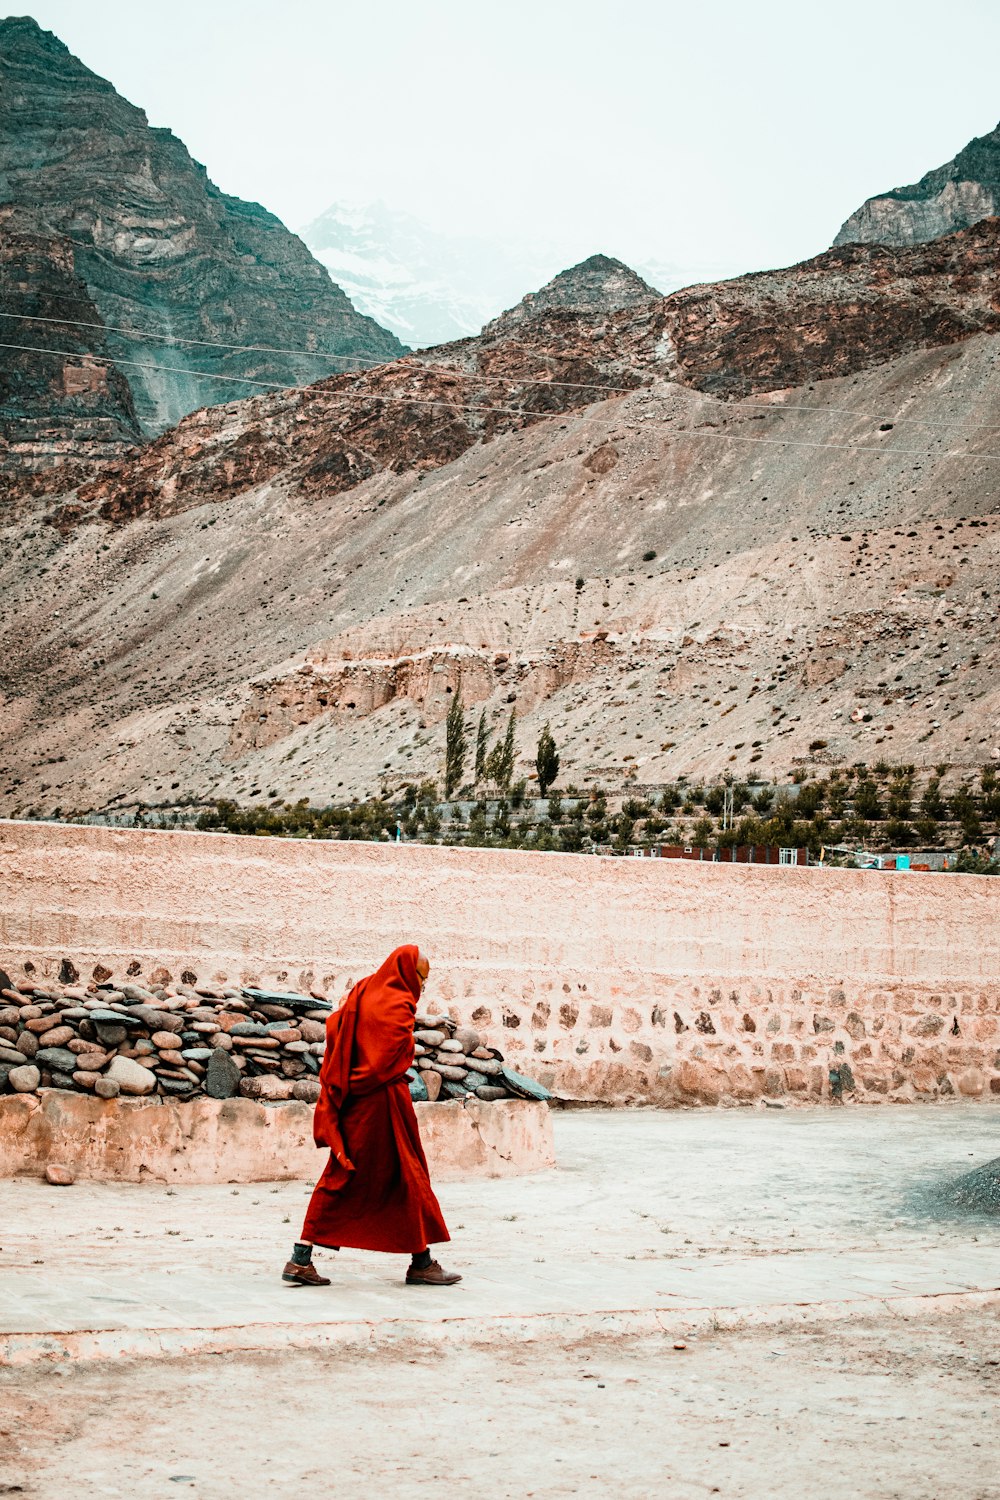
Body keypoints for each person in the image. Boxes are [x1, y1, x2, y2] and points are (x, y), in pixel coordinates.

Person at [282, 944, 461, 1288]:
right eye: (421, 978)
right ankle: (301, 1257)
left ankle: (419, 1260)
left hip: (353, 1096)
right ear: (409, 974)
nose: (422, 987)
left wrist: (353, 1080)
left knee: (361, 1170)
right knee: (400, 1171)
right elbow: (390, 1055)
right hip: (383, 1100)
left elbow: (339, 1027)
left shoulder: (365, 989)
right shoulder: (399, 1003)